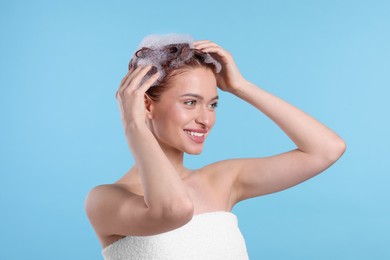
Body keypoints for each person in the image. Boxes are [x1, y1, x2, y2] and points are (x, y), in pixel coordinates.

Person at [85, 33, 346, 260]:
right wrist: (134, 126)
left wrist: (241, 86)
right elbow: (174, 209)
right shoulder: (105, 200)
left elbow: (327, 149)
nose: (206, 119)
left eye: (213, 104)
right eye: (190, 102)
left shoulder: (221, 181)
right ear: (147, 105)